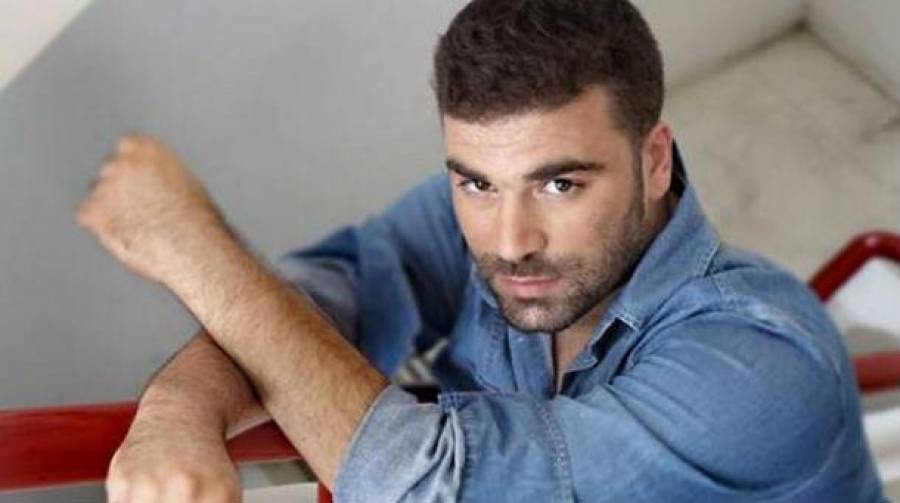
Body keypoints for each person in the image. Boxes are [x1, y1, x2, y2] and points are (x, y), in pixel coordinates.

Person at [77, 1, 884, 502]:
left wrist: (197, 251)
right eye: (477, 182)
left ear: (654, 159)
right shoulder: (475, 221)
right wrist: (176, 412)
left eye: (561, 184)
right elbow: (327, 294)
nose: (509, 242)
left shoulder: (764, 359)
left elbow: (427, 487)